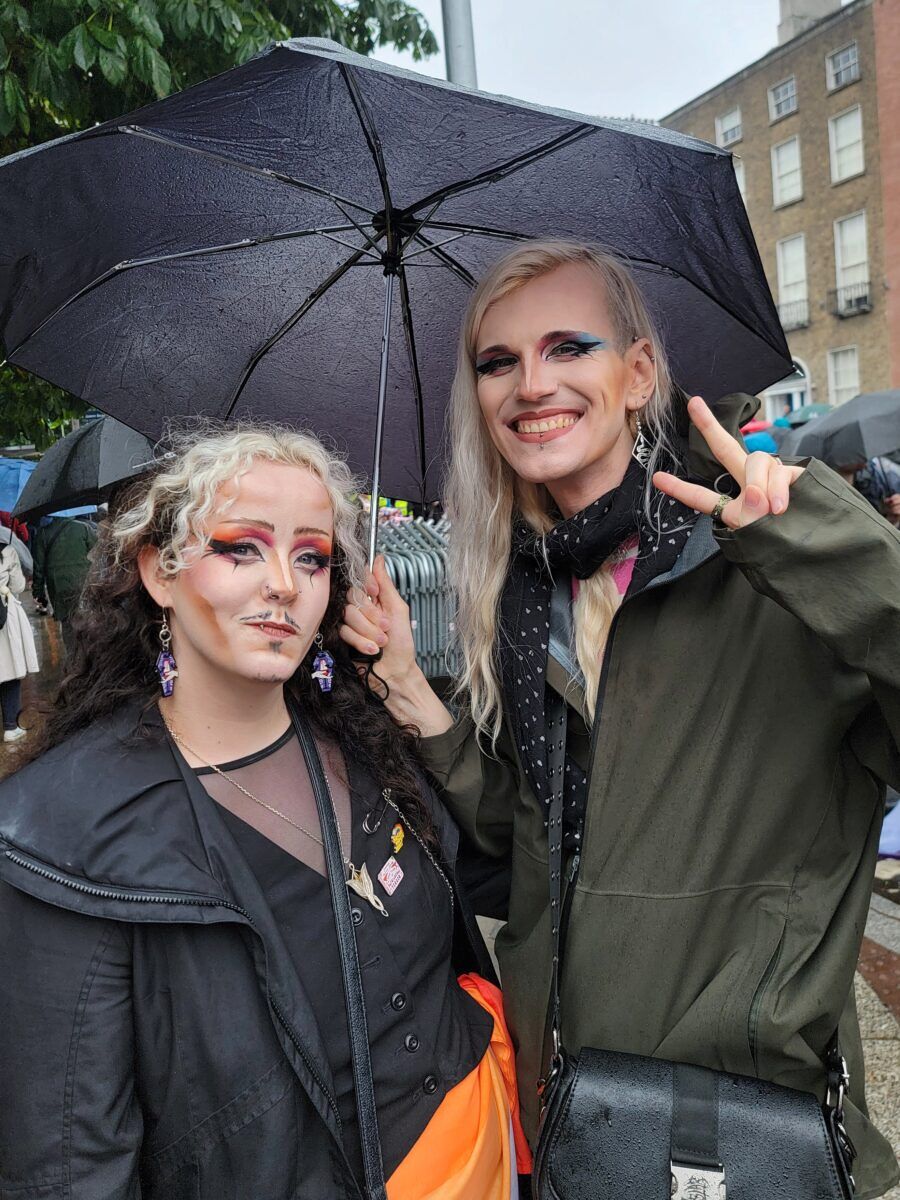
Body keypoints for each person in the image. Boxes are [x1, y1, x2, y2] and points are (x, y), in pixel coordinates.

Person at [341, 241, 900, 1198]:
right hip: (571, 1110)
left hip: (735, 1121)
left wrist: (818, 549)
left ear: (638, 373)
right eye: (497, 360)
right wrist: (408, 685)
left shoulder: (764, 551)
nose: (531, 384)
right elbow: (527, 841)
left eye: (569, 347)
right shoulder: (525, 597)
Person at [0, 424, 528, 1199]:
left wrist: (408, 688)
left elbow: (506, 878)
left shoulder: (372, 740)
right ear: (159, 570)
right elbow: (69, 1166)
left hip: (484, 1153)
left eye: (311, 556)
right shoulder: (59, 838)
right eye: (241, 548)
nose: (284, 582)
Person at [30, 513, 97, 655]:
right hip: (83, 582)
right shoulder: (84, 528)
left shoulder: (42, 533)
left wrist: (38, 592)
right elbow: (97, 555)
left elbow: (38, 568)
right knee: (87, 618)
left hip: (57, 587)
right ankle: (89, 656)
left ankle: (74, 660)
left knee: (67, 624)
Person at [0, 525, 39, 743]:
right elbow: (18, 585)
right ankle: (10, 727)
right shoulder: (8, 551)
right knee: (8, 670)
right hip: (4, 618)